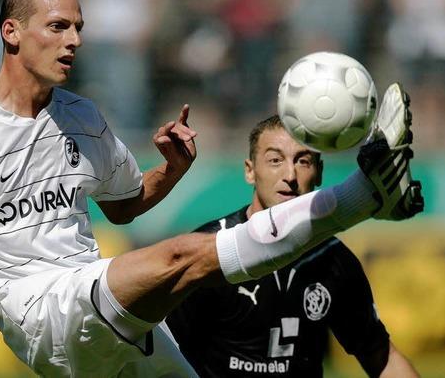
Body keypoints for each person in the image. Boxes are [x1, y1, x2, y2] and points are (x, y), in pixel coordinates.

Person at [0, 0, 423, 377]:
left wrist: (172, 171)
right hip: (39, 310)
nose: (75, 41)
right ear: (11, 32)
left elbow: (125, 203)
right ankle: (367, 195)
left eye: (80, 28)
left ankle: (368, 196)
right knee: (185, 256)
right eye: (58, 27)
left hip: (101, 303)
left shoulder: (80, 117)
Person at [166, 115, 420, 377]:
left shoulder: (333, 259)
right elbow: (164, 356)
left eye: (303, 161)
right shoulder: (211, 251)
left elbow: (381, 357)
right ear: (250, 171)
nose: (290, 175)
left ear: (319, 172)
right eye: (275, 160)